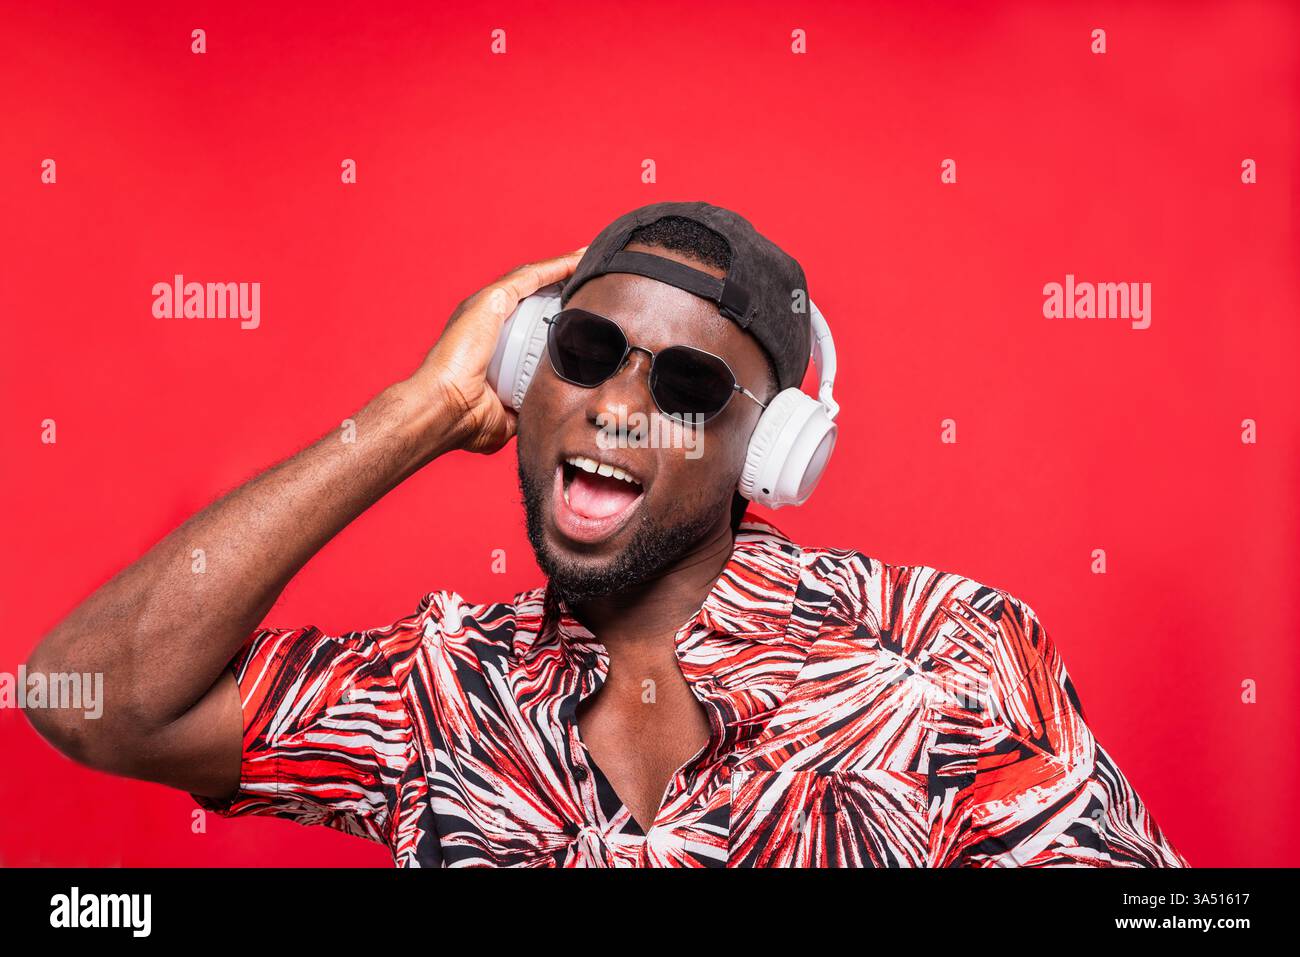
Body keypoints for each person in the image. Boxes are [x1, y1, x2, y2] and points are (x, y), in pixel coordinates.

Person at [23, 201, 1188, 867]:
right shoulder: (436, 688)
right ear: (530, 379)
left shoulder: (942, 651)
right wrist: (415, 412)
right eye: (580, 355)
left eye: (685, 384)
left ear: (770, 453)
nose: (616, 403)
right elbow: (94, 700)